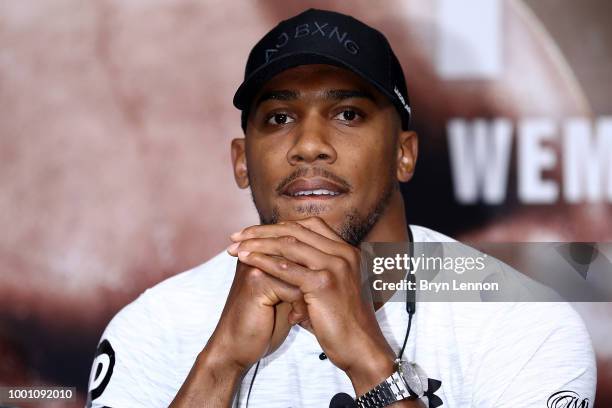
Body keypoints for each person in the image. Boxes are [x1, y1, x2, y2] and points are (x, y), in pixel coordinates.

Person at [86, 9, 596, 408]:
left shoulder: (525, 323)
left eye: (348, 113)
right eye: (280, 116)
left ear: (404, 153)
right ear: (242, 162)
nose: (309, 145)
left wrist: (371, 363)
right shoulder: (152, 324)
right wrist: (220, 364)